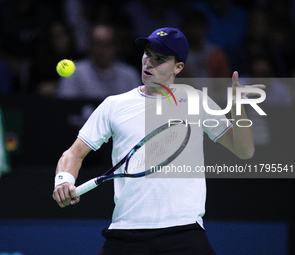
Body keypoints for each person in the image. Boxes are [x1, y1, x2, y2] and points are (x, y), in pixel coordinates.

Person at [52, 27, 265, 254]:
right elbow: (74, 153)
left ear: (178, 67)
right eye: (148, 54)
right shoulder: (114, 105)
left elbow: (244, 151)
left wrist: (240, 108)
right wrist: (63, 180)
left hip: (183, 232)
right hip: (126, 233)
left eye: (160, 59)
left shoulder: (197, 101)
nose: (149, 62)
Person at [56, 23, 141, 99]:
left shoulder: (130, 75)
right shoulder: (74, 73)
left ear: (116, 46)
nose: (102, 49)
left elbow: (137, 109)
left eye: (107, 44)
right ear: (89, 46)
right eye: (97, 44)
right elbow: (65, 107)